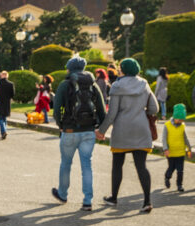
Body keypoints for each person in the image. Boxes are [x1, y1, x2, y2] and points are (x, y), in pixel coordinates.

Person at [97, 58, 158, 213]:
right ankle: (147, 201)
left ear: (123, 70)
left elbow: (112, 113)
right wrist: (142, 113)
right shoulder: (144, 84)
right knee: (141, 166)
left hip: (122, 130)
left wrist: (101, 130)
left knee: (117, 165)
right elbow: (154, 107)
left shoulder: (117, 86)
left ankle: (113, 197)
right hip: (141, 129)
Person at [51, 57, 106, 211]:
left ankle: (62, 194)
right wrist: (100, 129)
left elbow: (56, 110)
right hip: (88, 131)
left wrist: (61, 125)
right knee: (86, 166)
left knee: (66, 164)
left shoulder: (65, 85)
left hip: (69, 131)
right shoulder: (93, 85)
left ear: (70, 68)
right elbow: (102, 110)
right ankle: (87, 200)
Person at [163, 103, 191, 192]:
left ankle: (179, 185)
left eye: (182, 119)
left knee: (180, 170)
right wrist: (165, 149)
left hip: (180, 152)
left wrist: (189, 148)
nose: (181, 121)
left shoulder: (182, 126)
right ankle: (167, 177)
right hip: (171, 152)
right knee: (171, 168)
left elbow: (185, 138)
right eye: (180, 119)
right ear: (175, 117)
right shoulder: (167, 125)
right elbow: (164, 139)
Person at [0, 71, 15, 140]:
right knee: (4, 118)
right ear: (7, 76)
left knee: (0, 118)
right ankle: (4, 130)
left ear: (1, 75)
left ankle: (3, 131)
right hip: (7, 102)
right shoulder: (10, 84)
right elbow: (12, 94)